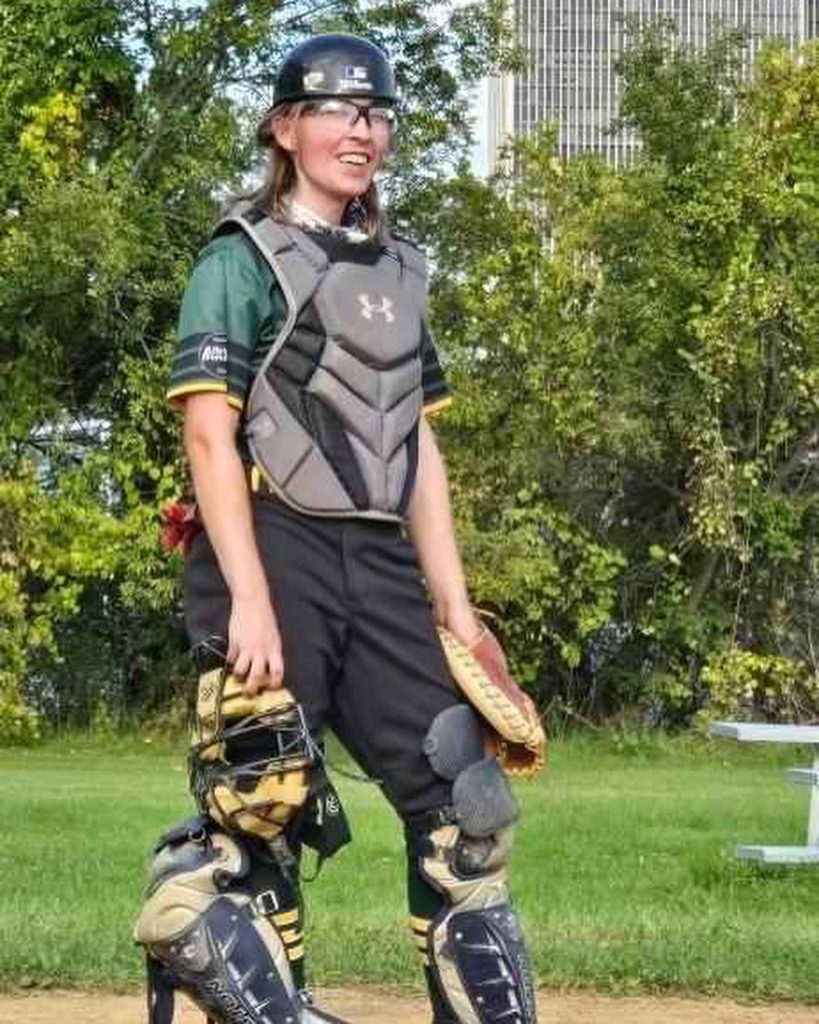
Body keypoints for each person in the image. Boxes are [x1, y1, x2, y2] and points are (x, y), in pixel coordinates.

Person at [134, 33, 537, 1024]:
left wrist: (457, 607)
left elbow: (418, 453)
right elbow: (208, 440)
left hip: (381, 555)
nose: (360, 129)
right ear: (284, 128)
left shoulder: (401, 270)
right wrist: (254, 604)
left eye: (376, 113)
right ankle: (251, 980)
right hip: (273, 543)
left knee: (463, 801)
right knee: (261, 794)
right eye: (335, 110)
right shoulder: (238, 259)